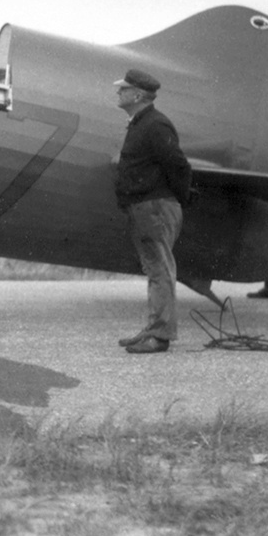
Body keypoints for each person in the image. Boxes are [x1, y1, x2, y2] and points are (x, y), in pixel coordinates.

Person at [113, 68, 193, 355]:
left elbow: (179, 166)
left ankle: (159, 337)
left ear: (137, 95)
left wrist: (172, 200)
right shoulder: (140, 123)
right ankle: (152, 329)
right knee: (154, 270)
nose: (118, 92)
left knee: (159, 270)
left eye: (123, 89)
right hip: (145, 207)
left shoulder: (156, 125)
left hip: (154, 208)